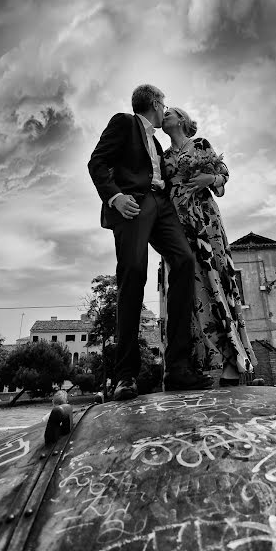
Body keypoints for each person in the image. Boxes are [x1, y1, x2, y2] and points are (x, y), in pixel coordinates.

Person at [88, 85, 212, 399]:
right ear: (156, 104)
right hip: (133, 205)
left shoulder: (157, 142)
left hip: (162, 206)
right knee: (133, 275)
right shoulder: (123, 123)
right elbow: (97, 163)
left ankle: (178, 368)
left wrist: (213, 178)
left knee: (183, 261)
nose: (165, 109)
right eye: (164, 105)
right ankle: (126, 375)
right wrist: (115, 197)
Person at [161, 107, 257, 386]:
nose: (164, 115)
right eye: (162, 112)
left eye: (170, 112)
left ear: (181, 119)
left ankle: (232, 360)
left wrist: (210, 179)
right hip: (176, 224)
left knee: (216, 279)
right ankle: (194, 365)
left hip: (206, 221)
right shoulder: (163, 157)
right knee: (185, 289)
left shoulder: (200, 145)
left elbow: (223, 175)